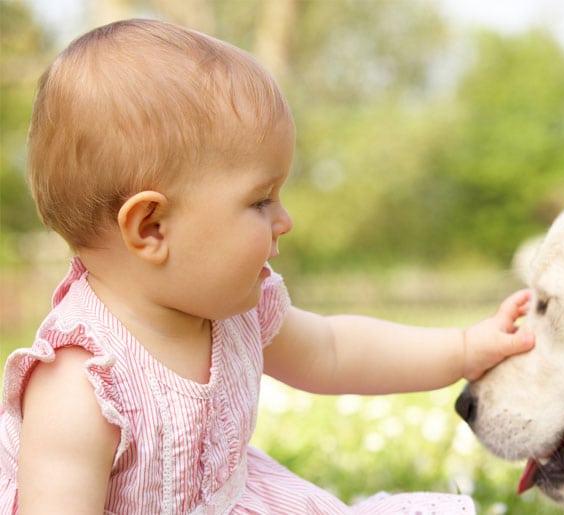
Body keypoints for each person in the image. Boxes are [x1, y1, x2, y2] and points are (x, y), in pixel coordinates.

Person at [0, 19, 534, 514]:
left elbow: (334, 351)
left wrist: (463, 348)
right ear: (151, 228)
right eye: (261, 201)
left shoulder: (235, 311)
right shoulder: (80, 384)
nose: (285, 220)